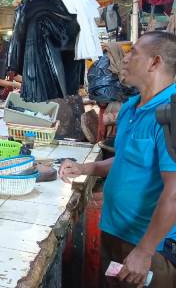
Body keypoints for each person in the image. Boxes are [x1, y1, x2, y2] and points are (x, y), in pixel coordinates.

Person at [60, 32, 176, 287]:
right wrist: (85, 167)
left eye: (133, 52)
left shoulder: (170, 112)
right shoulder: (131, 107)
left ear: (155, 63)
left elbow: (174, 190)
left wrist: (145, 251)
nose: (124, 59)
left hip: (148, 244)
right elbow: (127, 161)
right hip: (115, 231)